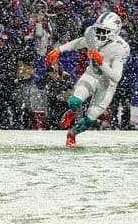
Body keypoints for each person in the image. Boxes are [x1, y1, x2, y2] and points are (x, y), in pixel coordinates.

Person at [45, 11, 129, 147]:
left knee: (90, 118)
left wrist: (101, 63)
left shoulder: (120, 48)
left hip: (107, 85)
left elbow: (116, 77)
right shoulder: (92, 34)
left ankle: (72, 134)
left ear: (114, 32)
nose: (98, 34)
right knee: (74, 100)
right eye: (98, 30)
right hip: (92, 75)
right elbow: (82, 42)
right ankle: (72, 112)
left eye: (103, 31)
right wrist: (59, 50)